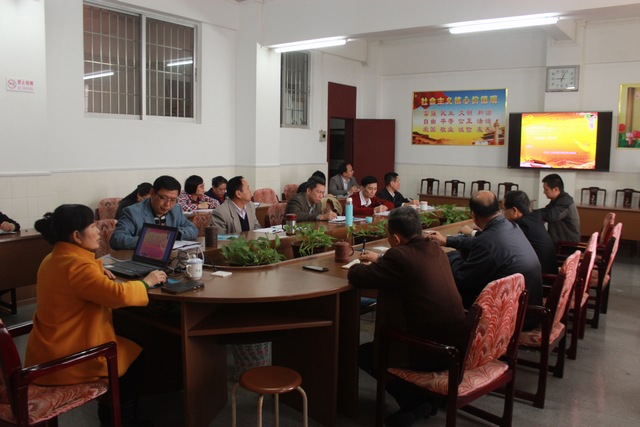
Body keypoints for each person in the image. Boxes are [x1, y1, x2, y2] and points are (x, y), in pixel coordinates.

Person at [26, 204, 166, 427]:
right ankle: (122, 421)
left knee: (129, 341)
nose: (99, 230)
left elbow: (77, 283)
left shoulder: (53, 259)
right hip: (70, 358)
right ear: (76, 236)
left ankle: (113, 417)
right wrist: (147, 281)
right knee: (136, 352)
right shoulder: (79, 267)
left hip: (47, 351)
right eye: (92, 226)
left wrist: (97, 270)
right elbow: (118, 295)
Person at [348, 207, 465, 426]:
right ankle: (426, 397)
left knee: (363, 353)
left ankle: (415, 400)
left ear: (395, 238)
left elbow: (358, 277)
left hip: (426, 349)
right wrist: (381, 259)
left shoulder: (398, 256)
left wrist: (357, 264)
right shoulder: (436, 249)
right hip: (455, 344)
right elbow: (404, 265)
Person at [428, 191, 542, 330]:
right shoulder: (511, 226)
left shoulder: (487, 242)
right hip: (527, 311)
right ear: (498, 209)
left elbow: (462, 278)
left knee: (443, 291)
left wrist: (447, 255)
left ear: (474, 216)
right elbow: (480, 242)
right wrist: (447, 241)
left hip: (508, 320)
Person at [110, 175, 198, 250]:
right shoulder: (133, 212)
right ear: (152, 193)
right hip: (144, 259)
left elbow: (193, 229)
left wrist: (176, 234)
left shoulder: (176, 209)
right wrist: (149, 240)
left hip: (171, 257)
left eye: (173, 200)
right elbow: (117, 239)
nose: (167, 204)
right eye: (163, 198)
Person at [503, 190, 558, 275]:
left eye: (504, 210)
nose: (503, 214)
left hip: (543, 277)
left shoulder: (522, 225)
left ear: (514, 211)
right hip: (548, 270)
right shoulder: (534, 218)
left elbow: (505, 246)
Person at [535, 173, 581, 245]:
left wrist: (532, 214)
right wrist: (530, 211)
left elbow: (551, 216)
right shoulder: (558, 199)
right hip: (558, 241)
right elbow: (546, 210)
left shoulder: (565, 201)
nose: (544, 192)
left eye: (546, 189)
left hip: (566, 245)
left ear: (556, 189)